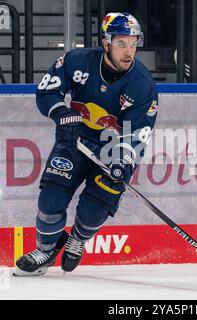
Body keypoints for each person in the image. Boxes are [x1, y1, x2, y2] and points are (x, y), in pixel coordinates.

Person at [14, 12, 158, 276]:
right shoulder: (76, 61)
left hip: (112, 151)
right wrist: (60, 113)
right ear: (106, 42)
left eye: (133, 43)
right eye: (122, 43)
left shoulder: (142, 84)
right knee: (50, 200)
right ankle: (46, 250)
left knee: (94, 210)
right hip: (74, 142)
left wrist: (121, 160)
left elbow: (138, 132)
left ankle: (77, 239)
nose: (129, 51)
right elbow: (47, 92)